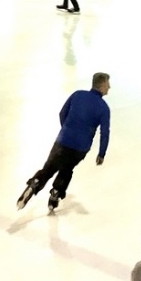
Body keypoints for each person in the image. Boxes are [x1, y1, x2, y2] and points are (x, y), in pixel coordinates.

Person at [17, 73, 111, 213]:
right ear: (102, 85)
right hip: (80, 148)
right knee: (67, 169)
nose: (109, 87)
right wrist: (101, 153)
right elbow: (105, 132)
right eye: (108, 84)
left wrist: (67, 129)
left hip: (63, 140)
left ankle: (35, 183)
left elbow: (62, 113)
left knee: (49, 168)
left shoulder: (77, 95)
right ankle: (55, 193)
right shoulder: (103, 108)